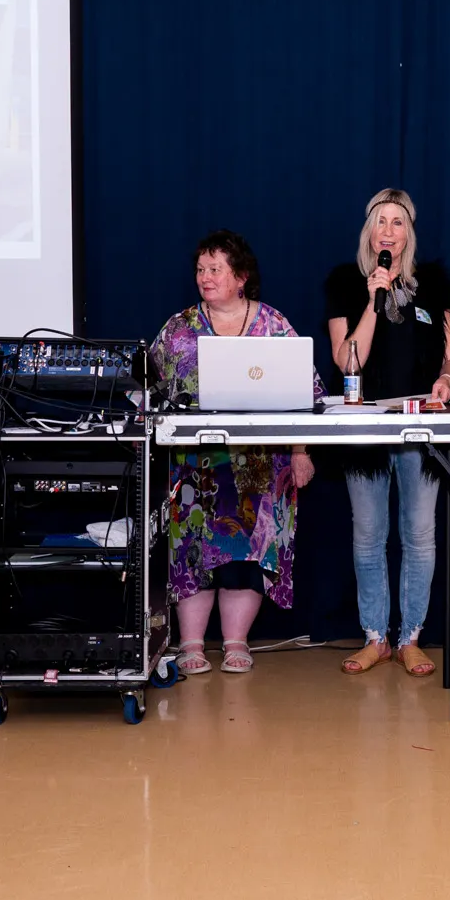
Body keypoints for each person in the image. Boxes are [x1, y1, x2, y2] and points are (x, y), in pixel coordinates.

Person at [149, 230, 318, 676]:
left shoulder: (273, 324)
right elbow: (146, 391)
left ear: (241, 277)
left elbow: (306, 392)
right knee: (193, 555)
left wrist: (301, 451)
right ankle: (190, 644)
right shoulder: (178, 328)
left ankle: (236, 641)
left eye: (215, 269)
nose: (205, 277)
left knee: (247, 556)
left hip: (260, 469)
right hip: (193, 470)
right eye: (200, 269)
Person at [325, 188, 450, 677]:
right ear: (369, 232)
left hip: (420, 425)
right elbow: (348, 361)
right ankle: (375, 638)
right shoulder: (346, 283)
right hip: (365, 427)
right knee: (369, 536)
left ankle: (411, 639)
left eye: (398, 222)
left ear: (409, 233)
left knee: (419, 535)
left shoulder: (433, 287)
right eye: (380, 222)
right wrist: (372, 301)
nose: (389, 231)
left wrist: (446, 380)